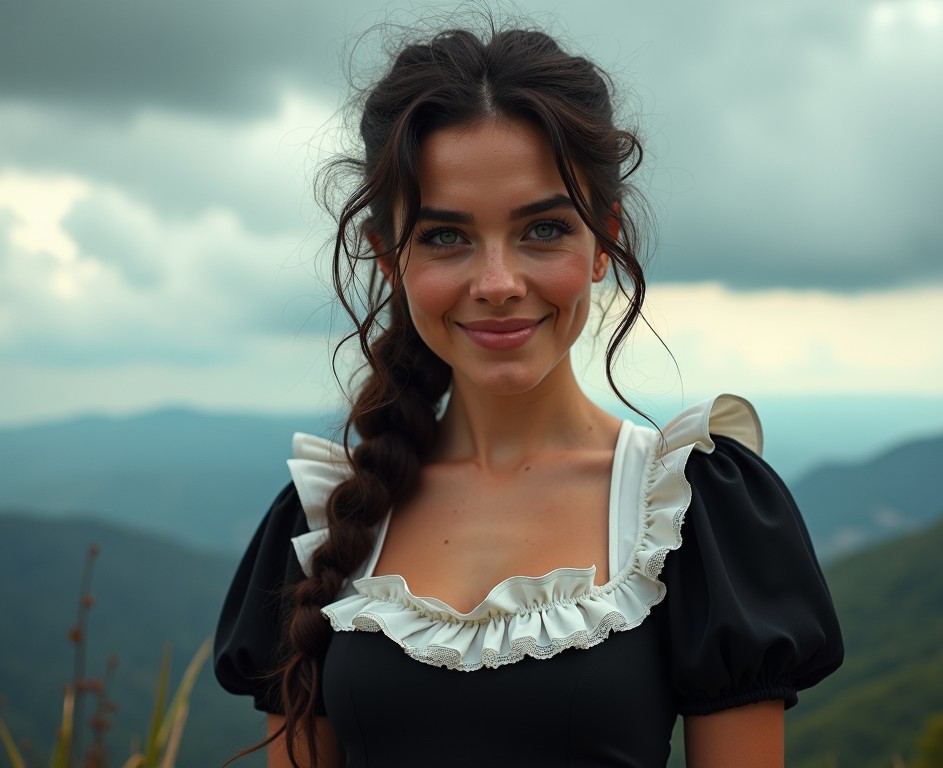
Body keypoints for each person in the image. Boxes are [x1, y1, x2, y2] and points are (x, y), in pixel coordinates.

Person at [214, 22, 843, 768]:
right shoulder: (327, 521)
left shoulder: (692, 513)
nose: (499, 283)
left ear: (603, 241)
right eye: (446, 237)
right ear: (390, 258)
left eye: (542, 229)